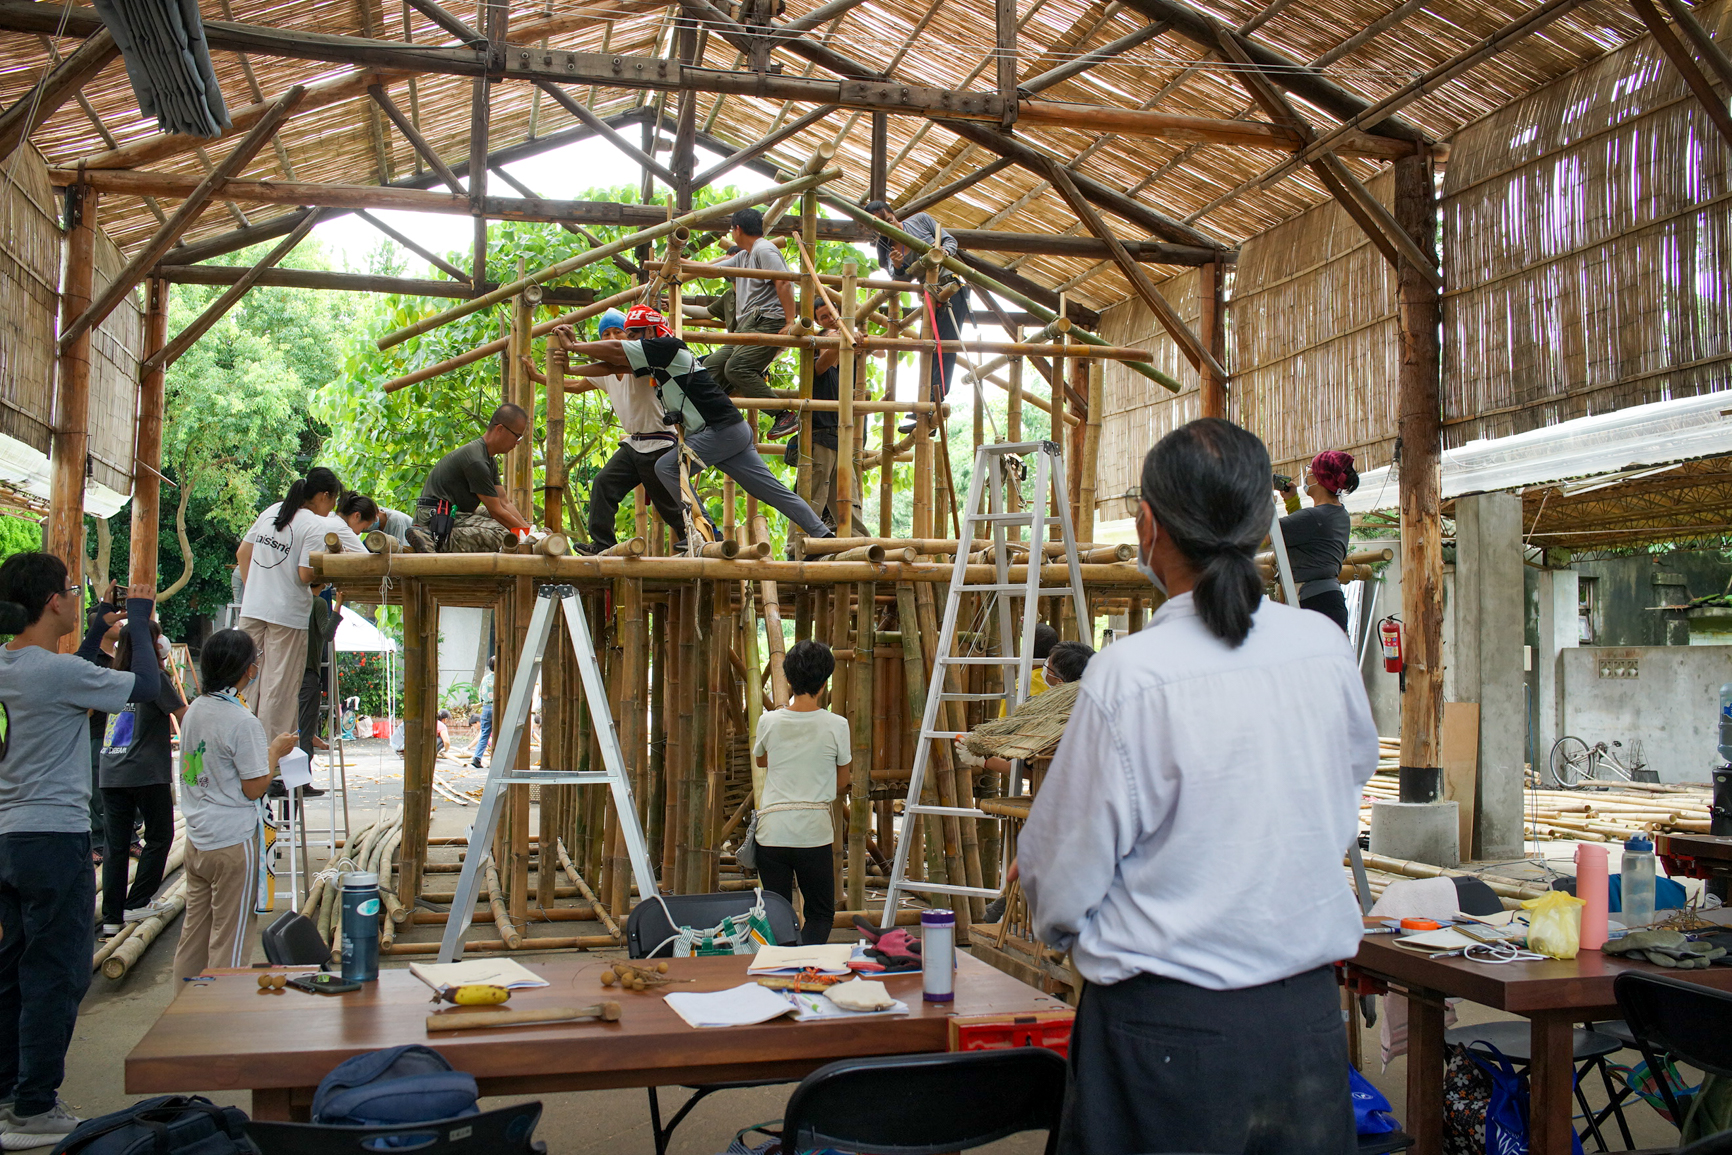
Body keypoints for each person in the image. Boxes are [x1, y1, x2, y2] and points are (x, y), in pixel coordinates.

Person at [1018, 418, 1376, 1155]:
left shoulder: (1130, 675)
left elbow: (1058, 872)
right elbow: (1342, 800)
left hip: (1163, 1034)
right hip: (1305, 1025)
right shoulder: (1323, 647)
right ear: (1263, 523)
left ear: (1148, 525)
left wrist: (1084, 932)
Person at [0, 554, 160, 1146]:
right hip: (53, 836)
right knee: (58, 972)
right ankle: (33, 1108)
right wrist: (138, 621)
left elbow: (68, 679)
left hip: (8, 837)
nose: (77, 596)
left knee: (12, 969)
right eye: (72, 589)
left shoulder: (15, 665)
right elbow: (145, 688)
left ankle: (8, 1094)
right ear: (52, 602)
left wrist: (95, 635)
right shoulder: (55, 672)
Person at [556, 305, 833, 544]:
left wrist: (574, 347)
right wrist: (571, 368)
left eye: (631, 335)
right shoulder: (656, 360)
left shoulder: (667, 347)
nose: (627, 342)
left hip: (719, 431)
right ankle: (823, 535)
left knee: (666, 467)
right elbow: (613, 366)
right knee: (773, 492)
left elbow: (617, 352)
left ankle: (704, 531)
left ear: (650, 332)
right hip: (730, 432)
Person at [173, 630, 298, 984]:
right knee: (230, 941)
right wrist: (275, 751)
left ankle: (184, 1008)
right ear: (249, 670)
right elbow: (254, 787)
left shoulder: (196, 709)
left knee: (194, 936)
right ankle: (222, 1013)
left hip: (198, 838)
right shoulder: (242, 721)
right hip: (232, 842)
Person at [529, 309, 685, 554]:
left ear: (629, 336)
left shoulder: (643, 360)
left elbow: (614, 362)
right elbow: (577, 385)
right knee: (603, 484)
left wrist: (575, 349)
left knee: (667, 501)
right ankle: (602, 544)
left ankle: (697, 536)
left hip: (660, 442)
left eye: (617, 332)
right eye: (606, 334)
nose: (612, 338)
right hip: (634, 444)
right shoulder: (605, 371)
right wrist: (538, 377)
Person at [235, 467, 365, 742]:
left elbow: (243, 553)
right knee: (278, 689)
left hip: (253, 610)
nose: (332, 508)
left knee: (243, 681)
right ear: (324, 496)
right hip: (286, 616)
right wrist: (329, 572)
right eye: (333, 500)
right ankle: (271, 757)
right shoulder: (314, 524)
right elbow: (305, 575)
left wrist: (255, 590)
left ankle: (238, 744)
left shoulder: (271, 511)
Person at [752, 640, 850, 946]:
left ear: (789, 680)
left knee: (776, 916)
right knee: (820, 914)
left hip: (772, 833)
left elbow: (762, 760)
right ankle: (803, 963)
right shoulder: (837, 725)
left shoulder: (769, 720)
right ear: (824, 683)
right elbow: (842, 781)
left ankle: (784, 960)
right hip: (813, 833)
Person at [99, 620, 186, 937]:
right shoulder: (154, 679)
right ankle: (137, 901)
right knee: (161, 837)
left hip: (111, 770)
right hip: (146, 772)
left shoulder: (111, 678)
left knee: (116, 846)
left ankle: (111, 917)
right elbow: (183, 715)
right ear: (151, 646)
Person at [862, 200, 971, 428]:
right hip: (930, 295)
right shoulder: (888, 251)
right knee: (928, 348)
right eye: (882, 227)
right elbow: (901, 280)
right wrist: (899, 266)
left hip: (951, 288)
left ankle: (934, 402)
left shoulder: (920, 220)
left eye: (890, 221)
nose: (890, 227)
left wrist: (943, 252)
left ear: (894, 215)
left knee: (944, 348)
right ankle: (927, 404)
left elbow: (950, 240)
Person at [703, 209, 800, 440]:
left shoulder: (763, 249)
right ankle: (713, 417)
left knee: (736, 368)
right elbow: (711, 271)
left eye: (731, 229)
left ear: (737, 229)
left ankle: (783, 415)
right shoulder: (744, 255)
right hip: (748, 325)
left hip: (767, 320)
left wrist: (789, 321)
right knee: (710, 367)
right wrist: (677, 262)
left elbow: (784, 282)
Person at [409, 404, 537, 554]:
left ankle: (443, 535)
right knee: (505, 535)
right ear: (500, 429)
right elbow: (496, 511)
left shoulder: (489, 460)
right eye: (517, 436)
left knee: (509, 525)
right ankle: (433, 538)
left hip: (454, 513)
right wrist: (526, 537)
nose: (518, 442)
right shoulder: (476, 461)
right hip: (435, 517)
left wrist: (529, 532)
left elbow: (504, 503)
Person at [1277, 451, 1359, 633]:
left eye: (1310, 470)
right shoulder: (1339, 513)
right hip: (1329, 601)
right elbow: (1303, 533)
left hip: (1314, 603)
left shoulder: (1313, 517)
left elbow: (1264, 535)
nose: (1306, 475)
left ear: (1320, 478)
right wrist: (1292, 502)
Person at [801, 301, 862, 531]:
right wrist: (844, 335)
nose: (837, 335)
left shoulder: (840, 374)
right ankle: (797, 545)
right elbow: (826, 358)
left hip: (840, 441)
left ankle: (858, 542)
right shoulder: (817, 367)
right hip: (821, 440)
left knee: (849, 500)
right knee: (813, 498)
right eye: (831, 338)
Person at [288, 589, 344, 800]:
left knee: (288, 727)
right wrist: (338, 604)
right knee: (304, 730)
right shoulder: (316, 602)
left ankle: (284, 780)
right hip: (306, 674)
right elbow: (327, 634)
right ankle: (301, 782)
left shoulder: (289, 598)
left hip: (285, 673)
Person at [336, 493, 412, 549]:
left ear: (357, 516)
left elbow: (402, 553)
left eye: (363, 528)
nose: (358, 533)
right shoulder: (369, 514)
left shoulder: (396, 522)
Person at [465, 656, 494, 768]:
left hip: (486, 707)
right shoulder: (502, 678)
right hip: (497, 708)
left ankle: (477, 757)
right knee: (500, 733)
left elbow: (480, 695)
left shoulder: (485, 679)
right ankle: (497, 760)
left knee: (484, 733)